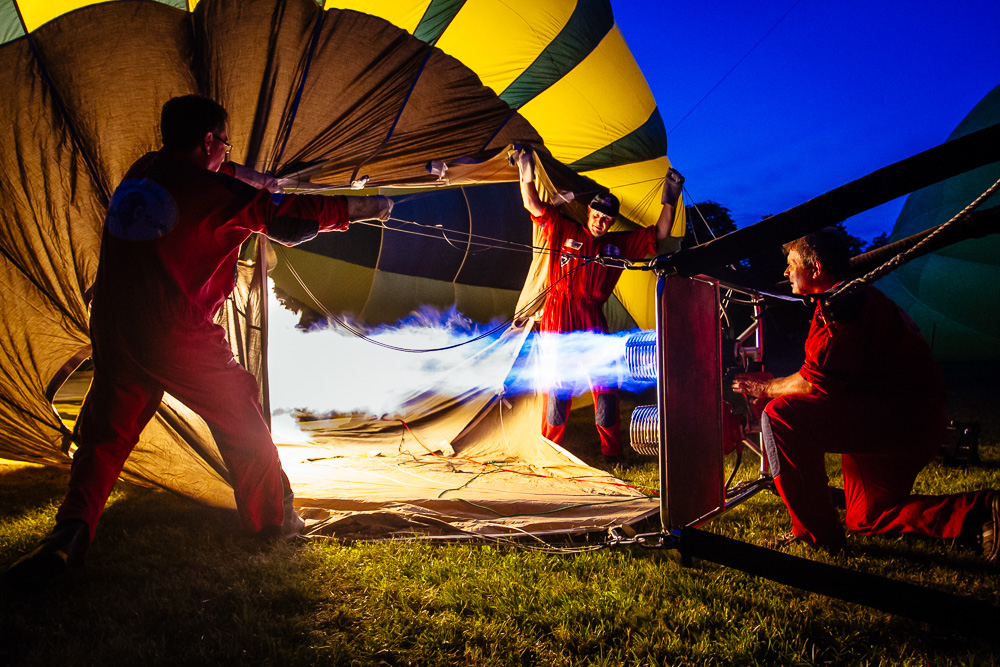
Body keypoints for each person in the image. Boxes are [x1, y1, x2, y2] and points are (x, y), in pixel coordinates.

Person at [5, 94, 393, 585]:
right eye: (223, 144)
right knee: (240, 414)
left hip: (113, 323)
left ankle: (68, 538)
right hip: (173, 328)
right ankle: (272, 524)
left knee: (106, 437)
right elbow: (289, 221)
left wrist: (258, 177)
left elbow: (229, 177)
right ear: (208, 140)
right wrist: (367, 206)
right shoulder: (213, 193)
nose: (227, 156)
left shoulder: (143, 171)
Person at [733, 227, 998, 558]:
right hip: (905, 419)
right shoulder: (854, 299)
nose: (786, 272)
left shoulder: (842, 306)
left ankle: (813, 535)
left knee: (781, 416)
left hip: (896, 420)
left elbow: (816, 383)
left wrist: (766, 387)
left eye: (790, 263)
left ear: (814, 268)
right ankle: (982, 512)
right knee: (867, 518)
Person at [514, 148, 684, 464]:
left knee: (605, 383)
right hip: (559, 313)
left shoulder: (617, 246)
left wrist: (669, 197)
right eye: (596, 215)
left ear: (611, 223)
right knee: (559, 386)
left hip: (592, 315)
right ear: (588, 212)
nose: (600, 222)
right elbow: (532, 204)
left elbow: (660, 234)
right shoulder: (563, 228)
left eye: (607, 219)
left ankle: (612, 453)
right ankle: (550, 452)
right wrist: (526, 167)